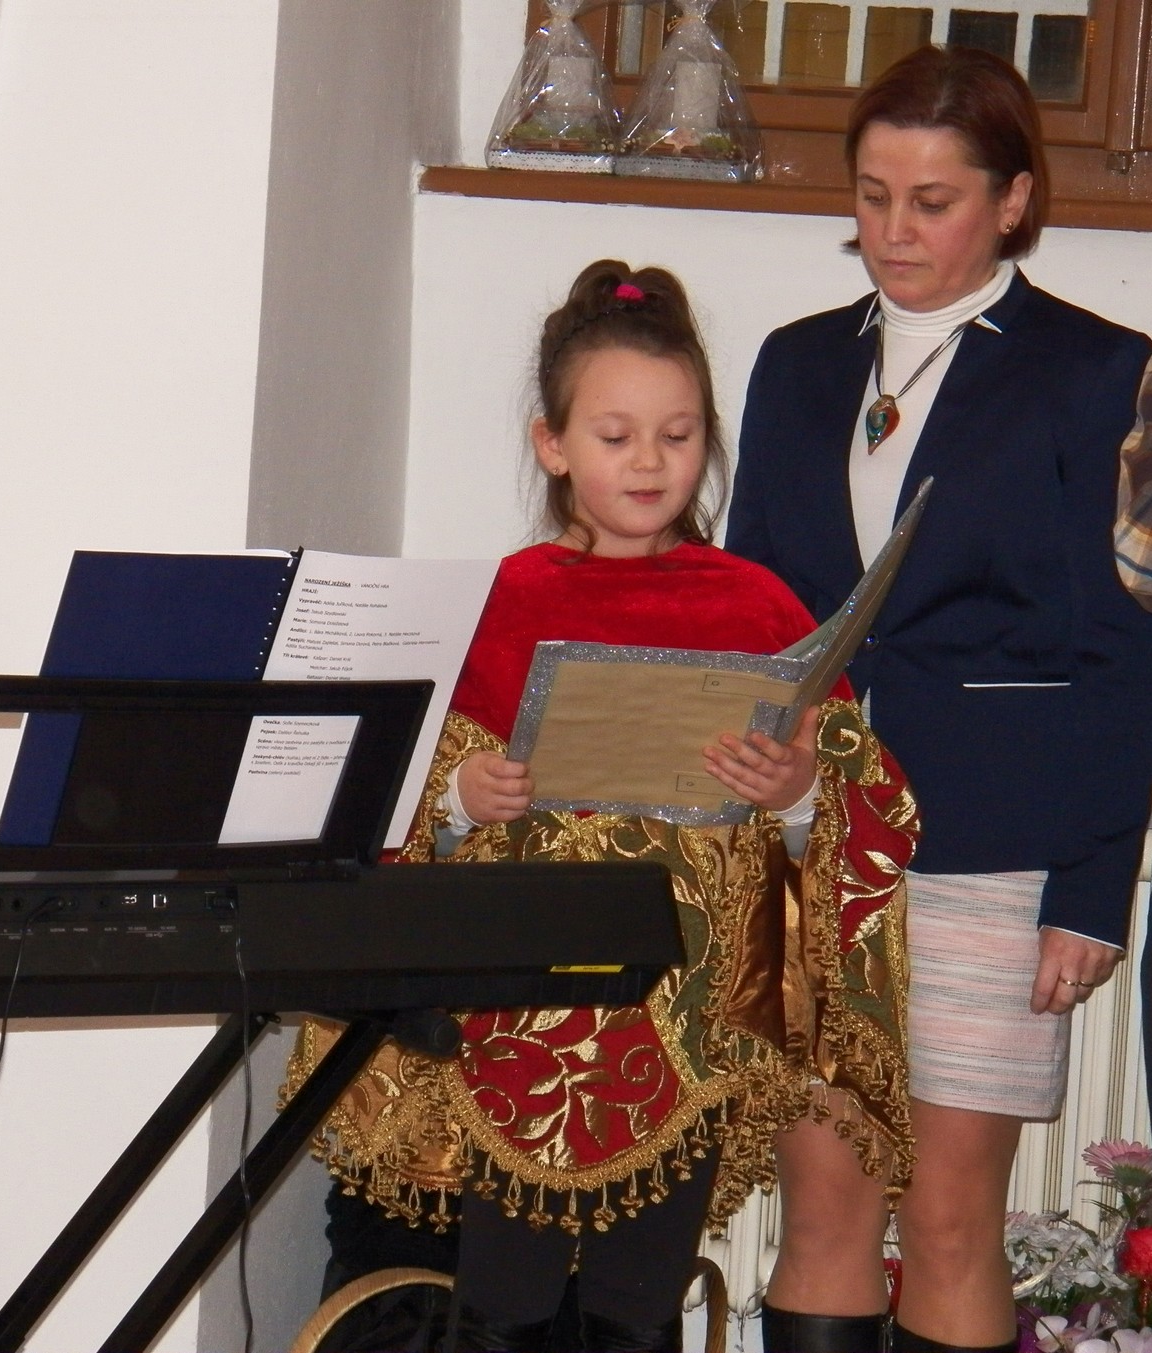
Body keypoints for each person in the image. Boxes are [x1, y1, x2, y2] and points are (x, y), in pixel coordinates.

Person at [287, 261, 917, 1351]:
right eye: (616, 436)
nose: (650, 462)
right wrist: (463, 799)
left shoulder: (757, 603)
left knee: (637, 1305)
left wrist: (798, 789)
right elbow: (393, 801)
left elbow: (857, 812)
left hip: (682, 1030)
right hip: (518, 1036)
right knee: (507, 1303)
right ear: (554, 444)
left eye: (678, 435)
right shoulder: (497, 603)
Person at [729, 47, 1152, 1353]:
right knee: (823, 1215)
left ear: (1013, 200)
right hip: (813, 842)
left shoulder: (1106, 372)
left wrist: (1091, 888)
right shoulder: (796, 363)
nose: (894, 232)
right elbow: (756, 614)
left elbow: (1130, 649)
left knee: (951, 1221)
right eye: (873, 198)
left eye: (932, 202)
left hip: (996, 846)